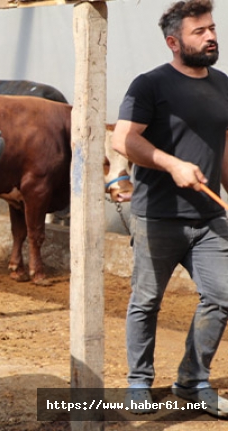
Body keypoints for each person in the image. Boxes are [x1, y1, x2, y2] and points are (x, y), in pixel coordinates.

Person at [112, 0, 228, 418]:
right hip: (157, 216)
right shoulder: (150, 85)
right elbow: (123, 139)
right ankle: (139, 381)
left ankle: (192, 381)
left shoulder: (223, 84)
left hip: (210, 218)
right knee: (146, 302)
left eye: (212, 28)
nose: (212, 36)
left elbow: (223, 147)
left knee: (222, 296)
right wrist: (171, 163)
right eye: (200, 31)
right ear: (173, 42)